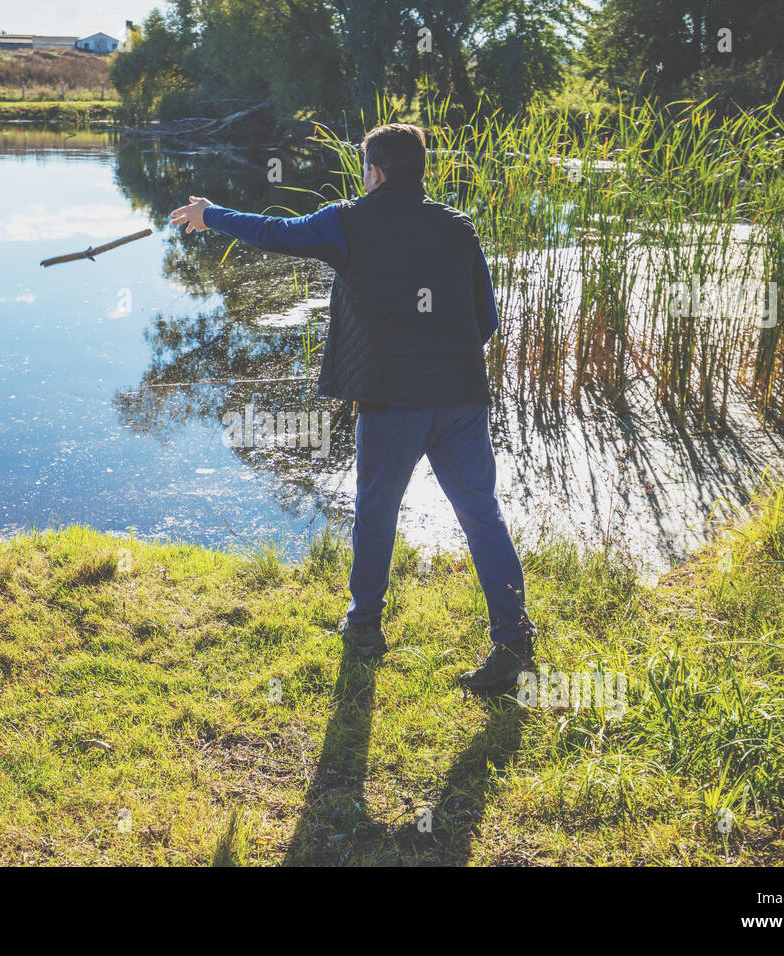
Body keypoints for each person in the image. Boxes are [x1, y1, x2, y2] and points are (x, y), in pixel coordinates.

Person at [170, 123, 535, 697]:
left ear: (376, 171)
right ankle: (514, 644)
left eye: (365, 164)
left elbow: (275, 232)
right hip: (462, 397)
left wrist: (210, 215)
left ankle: (365, 627)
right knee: (481, 516)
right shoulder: (457, 227)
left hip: (392, 402)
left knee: (376, 512)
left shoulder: (348, 221)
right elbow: (483, 317)